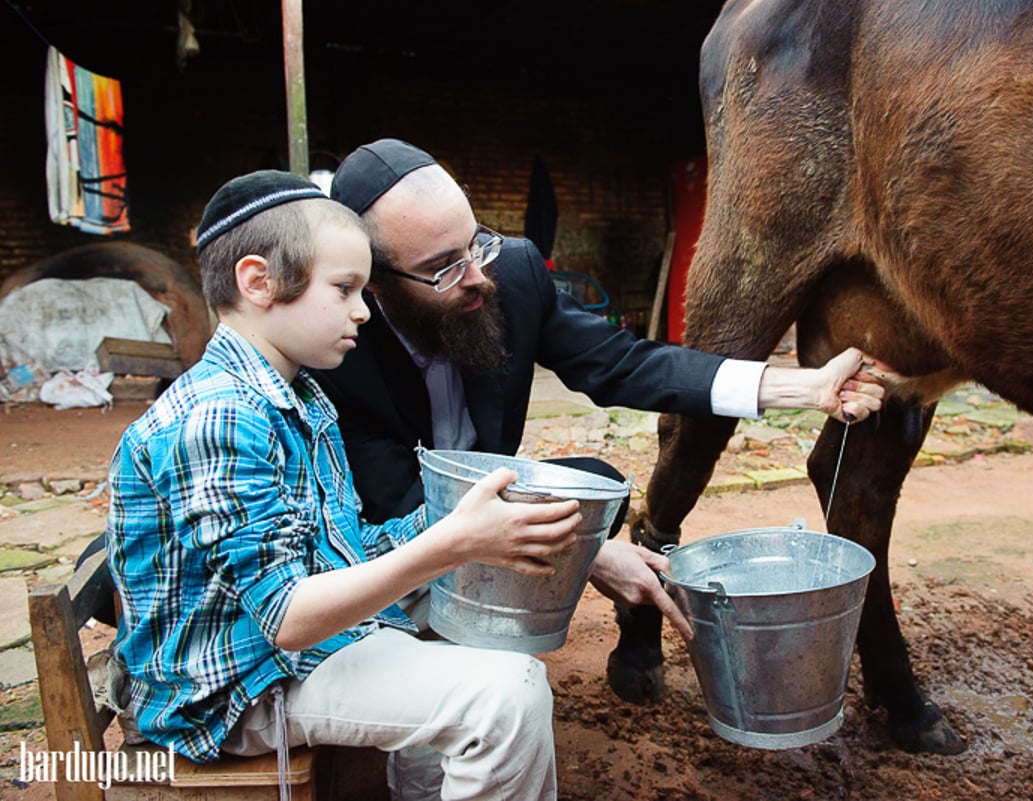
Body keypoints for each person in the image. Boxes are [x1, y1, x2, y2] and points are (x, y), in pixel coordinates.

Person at [104, 169, 643, 800]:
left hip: (285, 654)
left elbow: (342, 547)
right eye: (345, 288)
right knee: (503, 696)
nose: (363, 310)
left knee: (479, 634)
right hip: (230, 689)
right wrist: (454, 543)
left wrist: (466, 520)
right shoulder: (220, 416)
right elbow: (286, 617)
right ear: (258, 282)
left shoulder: (296, 393)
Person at [312, 138, 890, 695]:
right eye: (443, 267)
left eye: (476, 243)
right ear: (372, 279)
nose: (477, 277)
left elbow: (624, 363)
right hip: (389, 538)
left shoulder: (508, 273)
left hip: (480, 502)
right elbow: (400, 506)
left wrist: (803, 387)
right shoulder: (336, 348)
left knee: (599, 486)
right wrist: (583, 554)